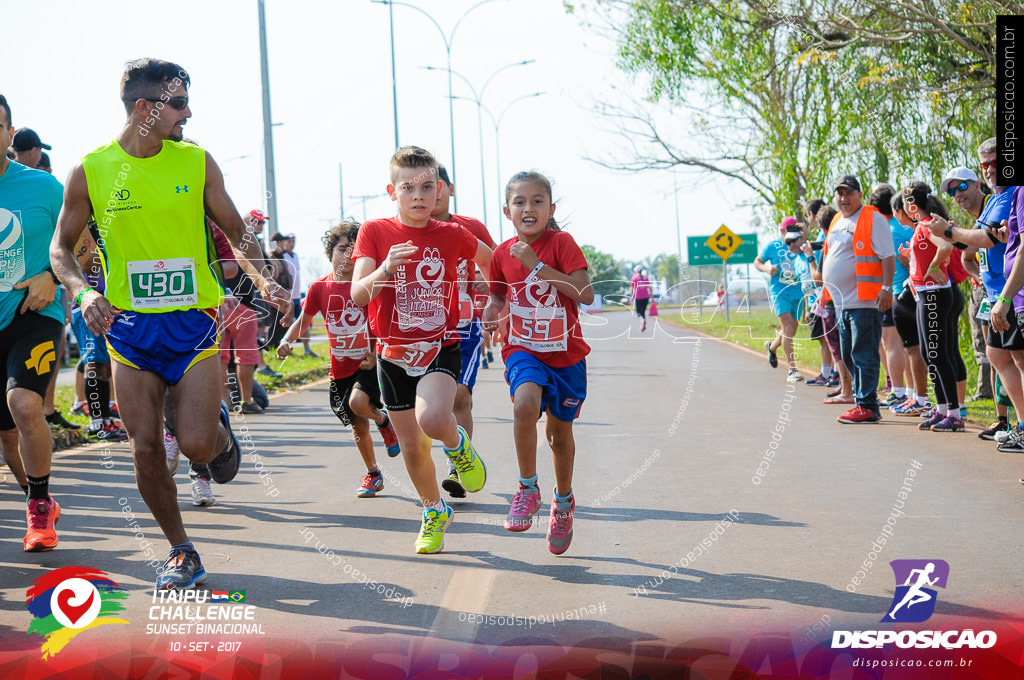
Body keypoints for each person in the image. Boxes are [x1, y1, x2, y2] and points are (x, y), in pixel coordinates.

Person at [50, 58, 292, 588]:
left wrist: (267, 279)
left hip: (193, 325)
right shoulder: (90, 170)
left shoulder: (196, 163)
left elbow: (236, 230)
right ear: (145, 108)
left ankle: (220, 440)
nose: (189, 112)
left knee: (198, 447)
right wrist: (83, 290)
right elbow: (61, 248)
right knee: (144, 447)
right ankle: (182, 550)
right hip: (130, 329)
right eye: (179, 103)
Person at [350, 145, 491, 554]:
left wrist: (493, 292)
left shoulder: (453, 234)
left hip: (440, 345)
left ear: (440, 190)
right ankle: (433, 511)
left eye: (428, 186)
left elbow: (493, 261)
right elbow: (359, 294)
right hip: (393, 354)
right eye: (408, 187)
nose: (419, 195)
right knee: (411, 446)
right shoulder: (374, 232)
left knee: (433, 420)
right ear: (391, 191)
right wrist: (386, 268)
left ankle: (459, 446)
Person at [483, 171, 593, 555]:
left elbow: (585, 293)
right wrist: (491, 312)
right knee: (524, 404)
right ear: (507, 211)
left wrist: (536, 266)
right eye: (520, 202)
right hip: (523, 348)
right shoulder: (500, 254)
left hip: (565, 354)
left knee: (559, 438)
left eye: (537, 201)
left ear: (551, 208)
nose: (528, 208)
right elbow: (498, 297)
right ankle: (527, 488)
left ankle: (563, 503)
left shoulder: (561, 243)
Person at [278, 221, 401, 496]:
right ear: (330, 253)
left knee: (358, 403)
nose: (347, 255)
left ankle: (381, 420)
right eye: (341, 248)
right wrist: (287, 340)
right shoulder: (320, 288)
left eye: (353, 249)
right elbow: (303, 321)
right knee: (358, 425)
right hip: (340, 367)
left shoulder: (369, 286)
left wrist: (377, 350)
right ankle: (374, 473)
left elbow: (386, 320)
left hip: (369, 362)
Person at [0, 94, 67, 551]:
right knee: (6, 432)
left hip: (33, 314)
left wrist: (50, 275)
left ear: (9, 132)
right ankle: (36, 498)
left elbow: (84, 241)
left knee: (25, 405)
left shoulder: (44, 188)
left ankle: (40, 509)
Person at [936, 138, 1021, 448]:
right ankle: (1014, 422)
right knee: (998, 356)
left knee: (1017, 359)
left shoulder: (1004, 198)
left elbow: (987, 239)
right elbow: (969, 251)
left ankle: (1015, 423)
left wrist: (948, 232)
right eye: (951, 191)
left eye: (961, 187)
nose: (957, 194)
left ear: (974, 185)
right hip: (997, 295)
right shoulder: (991, 205)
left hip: (1012, 295)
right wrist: (983, 282)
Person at [430, 165, 496, 499]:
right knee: (427, 410)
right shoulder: (405, 231)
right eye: (421, 186)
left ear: (449, 188)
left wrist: (491, 296)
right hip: (420, 331)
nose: (432, 192)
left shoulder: (470, 227)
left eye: (437, 184)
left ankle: (458, 466)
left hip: (464, 327)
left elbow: (498, 267)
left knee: (459, 395)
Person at [821, 174, 895, 424]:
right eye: (840, 194)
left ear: (860, 195)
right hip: (841, 302)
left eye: (849, 193)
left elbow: (887, 256)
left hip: (865, 300)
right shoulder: (837, 220)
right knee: (848, 354)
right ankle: (864, 398)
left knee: (864, 353)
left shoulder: (873, 218)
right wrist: (825, 292)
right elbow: (831, 256)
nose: (844, 198)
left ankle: (867, 405)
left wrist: (886, 288)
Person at [902, 181, 964, 432]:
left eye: (906, 203)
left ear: (911, 204)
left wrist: (934, 267)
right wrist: (914, 258)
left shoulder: (927, 223)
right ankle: (941, 410)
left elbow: (946, 247)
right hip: (927, 295)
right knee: (931, 355)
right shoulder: (923, 225)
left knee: (937, 354)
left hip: (934, 295)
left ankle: (955, 414)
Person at [870, 184, 915, 409]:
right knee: (908, 346)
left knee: (891, 344)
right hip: (911, 291)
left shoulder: (888, 229)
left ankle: (898, 392)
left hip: (896, 291)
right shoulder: (907, 225)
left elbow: (904, 260)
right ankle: (910, 392)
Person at [754, 216, 810, 383]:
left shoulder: (802, 244)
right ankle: (792, 370)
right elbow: (757, 261)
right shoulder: (773, 246)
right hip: (780, 292)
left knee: (791, 330)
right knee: (787, 326)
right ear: (781, 231)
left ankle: (771, 347)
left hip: (798, 293)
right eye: (788, 231)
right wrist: (767, 268)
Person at [629, 266, 651, 332]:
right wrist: (652, 297)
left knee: (638, 312)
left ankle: (643, 321)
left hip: (638, 297)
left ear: (636, 271)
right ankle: (643, 326)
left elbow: (632, 288)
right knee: (643, 312)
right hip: (646, 297)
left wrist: (632, 296)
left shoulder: (634, 278)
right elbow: (649, 287)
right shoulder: (646, 277)